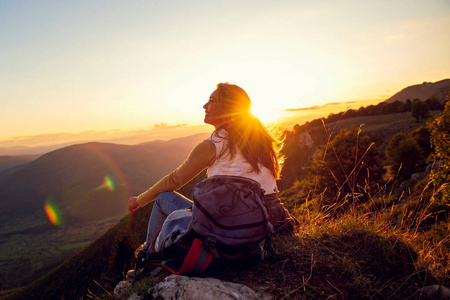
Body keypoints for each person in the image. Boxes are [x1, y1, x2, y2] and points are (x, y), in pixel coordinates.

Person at [128, 82, 295, 249]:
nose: (205, 105)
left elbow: (174, 180)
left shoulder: (214, 144)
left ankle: (148, 257)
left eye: (211, 101)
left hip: (233, 219)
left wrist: (138, 200)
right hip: (272, 216)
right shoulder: (260, 140)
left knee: (162, 198)